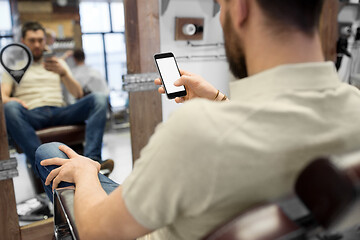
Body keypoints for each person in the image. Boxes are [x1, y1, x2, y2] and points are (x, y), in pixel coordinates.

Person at [35, 0, 360, 239]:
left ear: (242, 7)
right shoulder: (353, 105)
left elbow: (95, 232)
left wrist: (88, 171)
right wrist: (218, 100)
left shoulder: (197, 131)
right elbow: (285, 127)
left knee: (52, 154)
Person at [1, 21, 114, 177]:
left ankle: (92, 160)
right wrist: (12, 102)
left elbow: (78, 93)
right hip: (32, 113)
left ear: (45, 41)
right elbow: (3, 96)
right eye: (32, 41)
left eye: (40, 40)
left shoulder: (58, 64)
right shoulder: (15, 67)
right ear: (23, 42)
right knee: (9, 108)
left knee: (99, 98)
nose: (37, 45)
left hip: (60, 111)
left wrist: (64, 73)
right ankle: (45, 170)